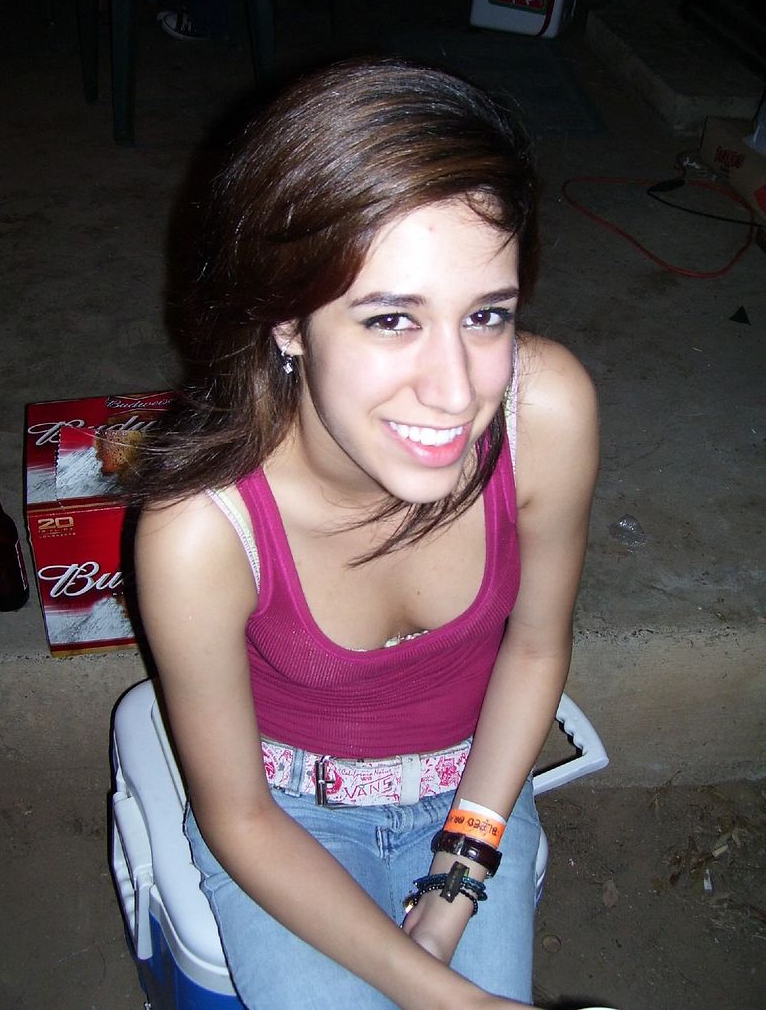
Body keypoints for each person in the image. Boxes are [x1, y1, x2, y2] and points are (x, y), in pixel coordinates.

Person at [132, 57, 599, 1009]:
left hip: (474, 783)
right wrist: (442, 993)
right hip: (286, 817)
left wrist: (456, 884)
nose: (456, 391)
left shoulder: (544, 411)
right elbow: (240, 815)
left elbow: (535, 647)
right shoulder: (201, 531)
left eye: (486, 315)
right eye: (391, 319)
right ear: (286, 321)